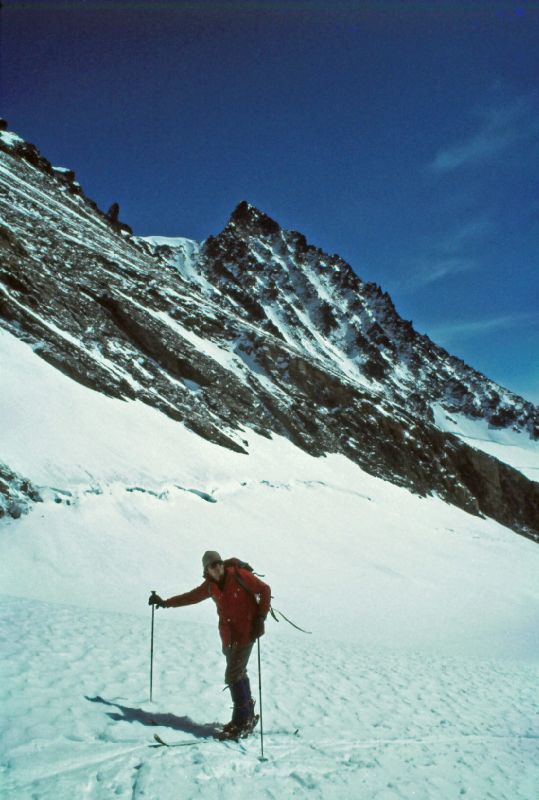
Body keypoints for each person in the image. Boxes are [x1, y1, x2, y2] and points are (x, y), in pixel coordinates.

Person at [149, 551, 271, 739]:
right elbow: (189, 597)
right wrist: (165, 603)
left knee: (232, 674)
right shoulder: (210, 586)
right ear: (206, 570)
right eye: (212, 565)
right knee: (239, 672)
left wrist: (261, 618)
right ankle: (246, 714)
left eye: (219, 563)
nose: (218, 567)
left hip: (247, 631)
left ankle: (241, 720)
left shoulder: (239, 575)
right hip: (229, 637)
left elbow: (265, 590)